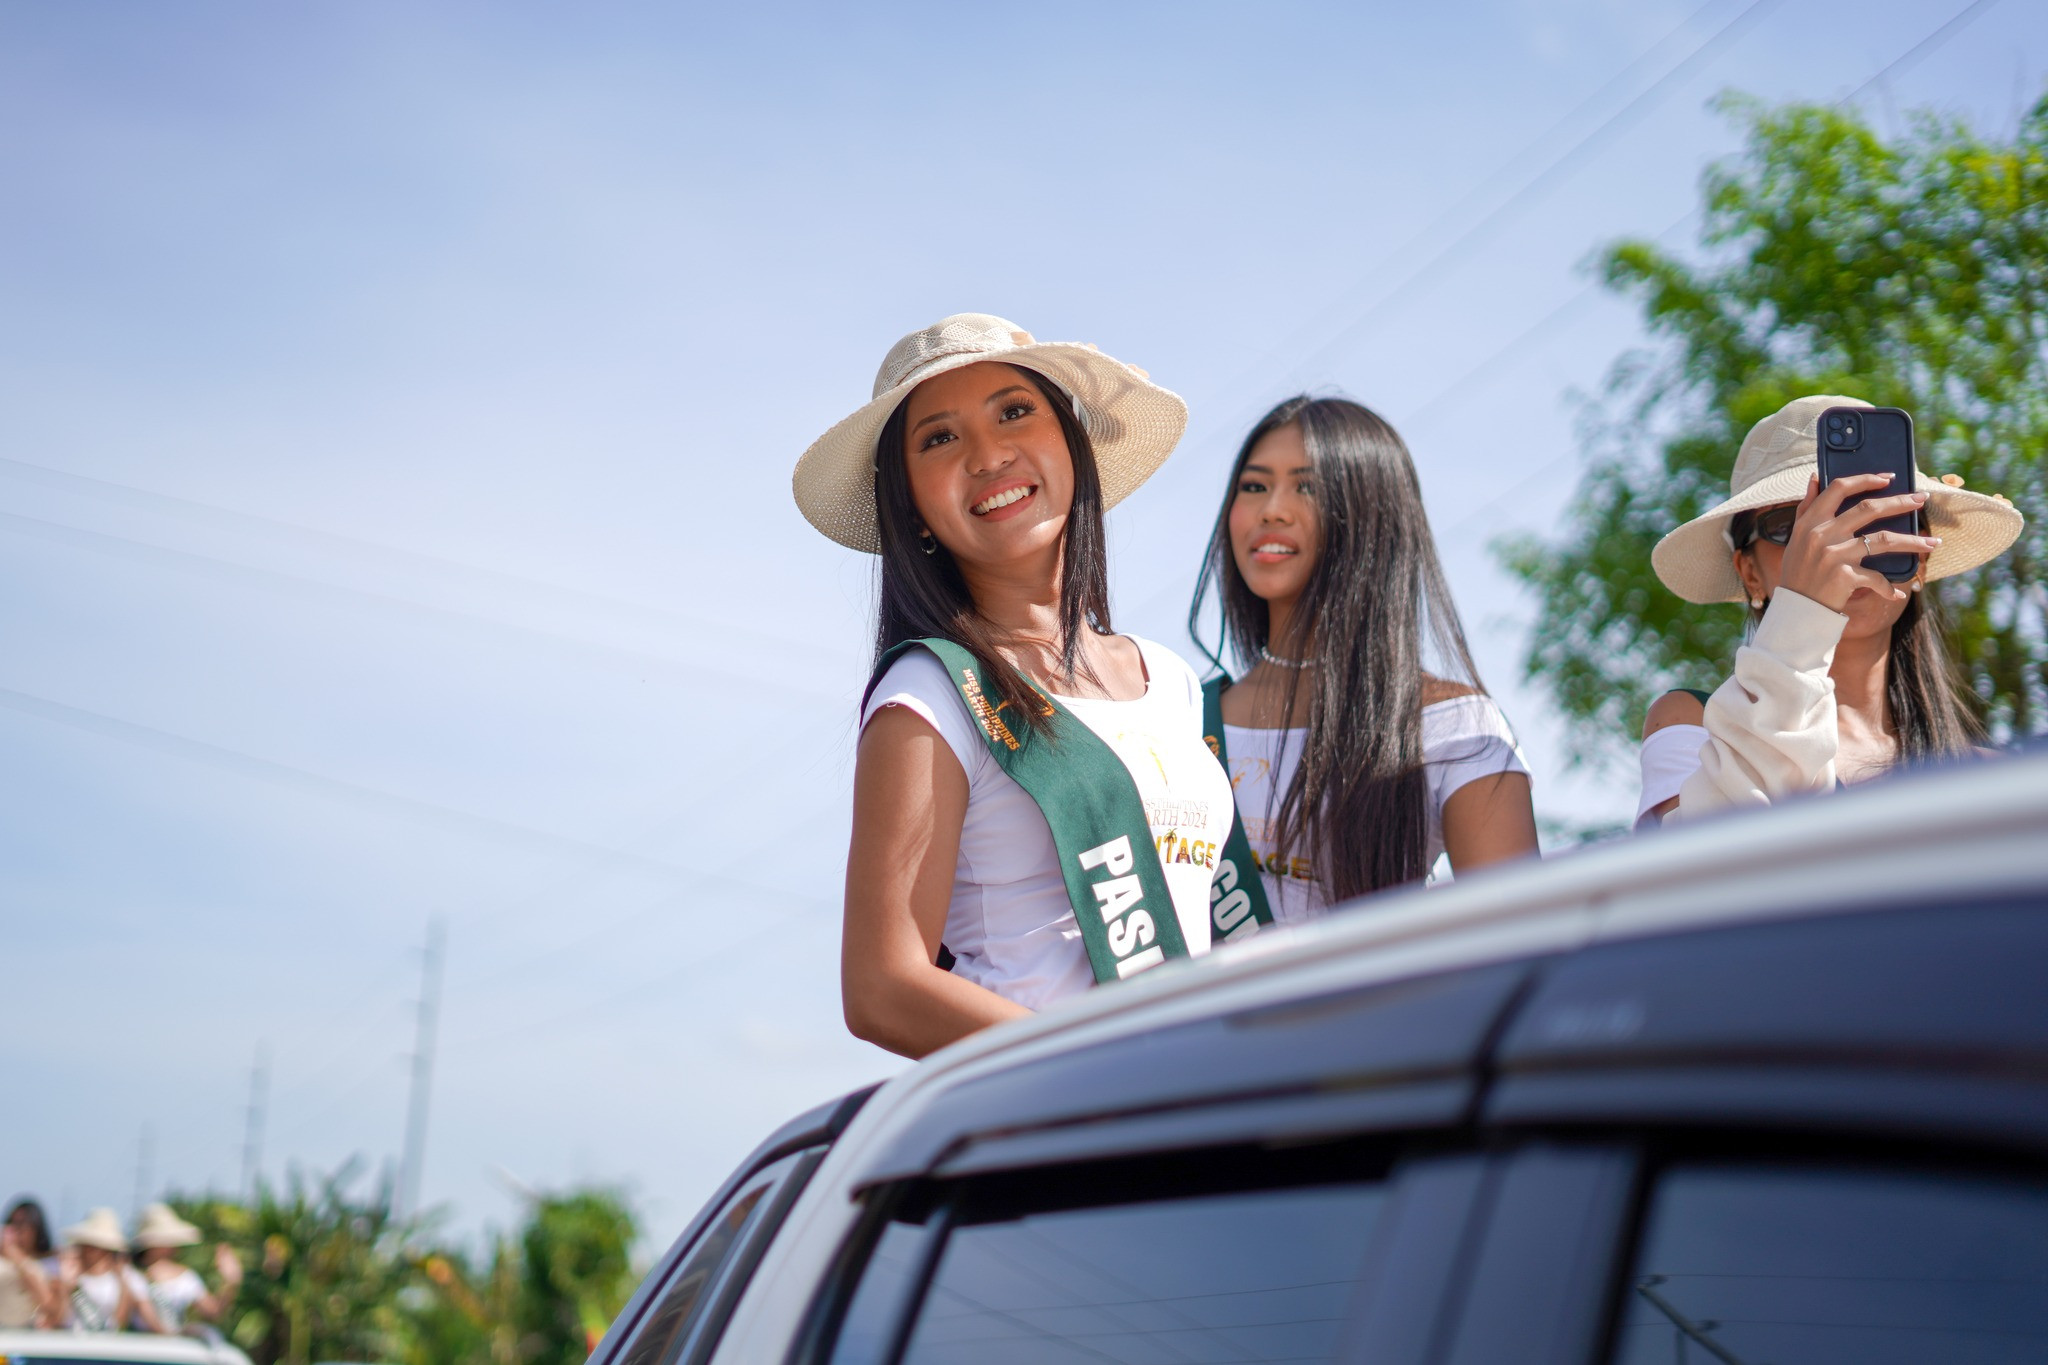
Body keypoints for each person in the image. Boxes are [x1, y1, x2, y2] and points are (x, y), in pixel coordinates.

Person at [795, 313, 1270, 1060]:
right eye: (940, 438)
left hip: (1188, 1114)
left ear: (1071, 443)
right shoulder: (932, 694)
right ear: (911, 505)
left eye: (1015, 411)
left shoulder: (1169, 681)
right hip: (1049, 1129)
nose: (989, 455)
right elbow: (883, 987)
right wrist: (1105, 1072)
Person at [1189, 395, 1538, 922]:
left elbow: (1521, 941)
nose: (1272, 510)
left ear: (1373, 517)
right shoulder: (1182, 720)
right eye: (1254, 486)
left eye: (1308, 488)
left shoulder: (1452, 724)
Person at [1637, 395, 2024, 825]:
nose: (1839, 544)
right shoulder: (1691, 724)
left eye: (1870, 517)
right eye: (1793, 527)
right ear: (1749, 572)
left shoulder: (1992, 781)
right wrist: (1804, 614)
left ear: (1919, 554)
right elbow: (1705, 873)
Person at [131, 1204, 241, 1334]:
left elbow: (213, 1312)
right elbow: (145, 1313)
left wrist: (231, 1282)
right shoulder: (132, 1274)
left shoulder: (185, 1277)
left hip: (175, 1349)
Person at [55, 1208, 162, 1333]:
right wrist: (66, 1286)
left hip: (106, 1347)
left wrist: (122, 1280)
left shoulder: (126, 1276)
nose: (88, 1249)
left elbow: (120, 1321)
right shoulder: (65, 1271)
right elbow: (58, 1319)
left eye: (95, 1245)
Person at [1, 1198, 60, 1328]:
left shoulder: (50, 1263)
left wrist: (16, 1257)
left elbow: (49, 1305)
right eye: (11, 1223)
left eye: (22, 1223)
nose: (16, 1229)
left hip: (28, 1336)